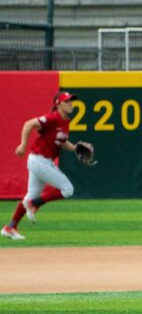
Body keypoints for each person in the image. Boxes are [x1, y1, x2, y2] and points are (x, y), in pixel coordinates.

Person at [2, 92, 86, 241]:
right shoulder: (53, 118)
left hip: (40, 161)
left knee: (30, 195)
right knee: (68, 189)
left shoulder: (65, 120)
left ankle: (10, 227)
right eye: (66, 101)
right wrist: (23, 144)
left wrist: (74, 148)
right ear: (58, 104)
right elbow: (29, 124)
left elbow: (61, 141)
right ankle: (34, 204)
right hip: (40, 160)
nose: (70, 103)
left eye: (71, 101)